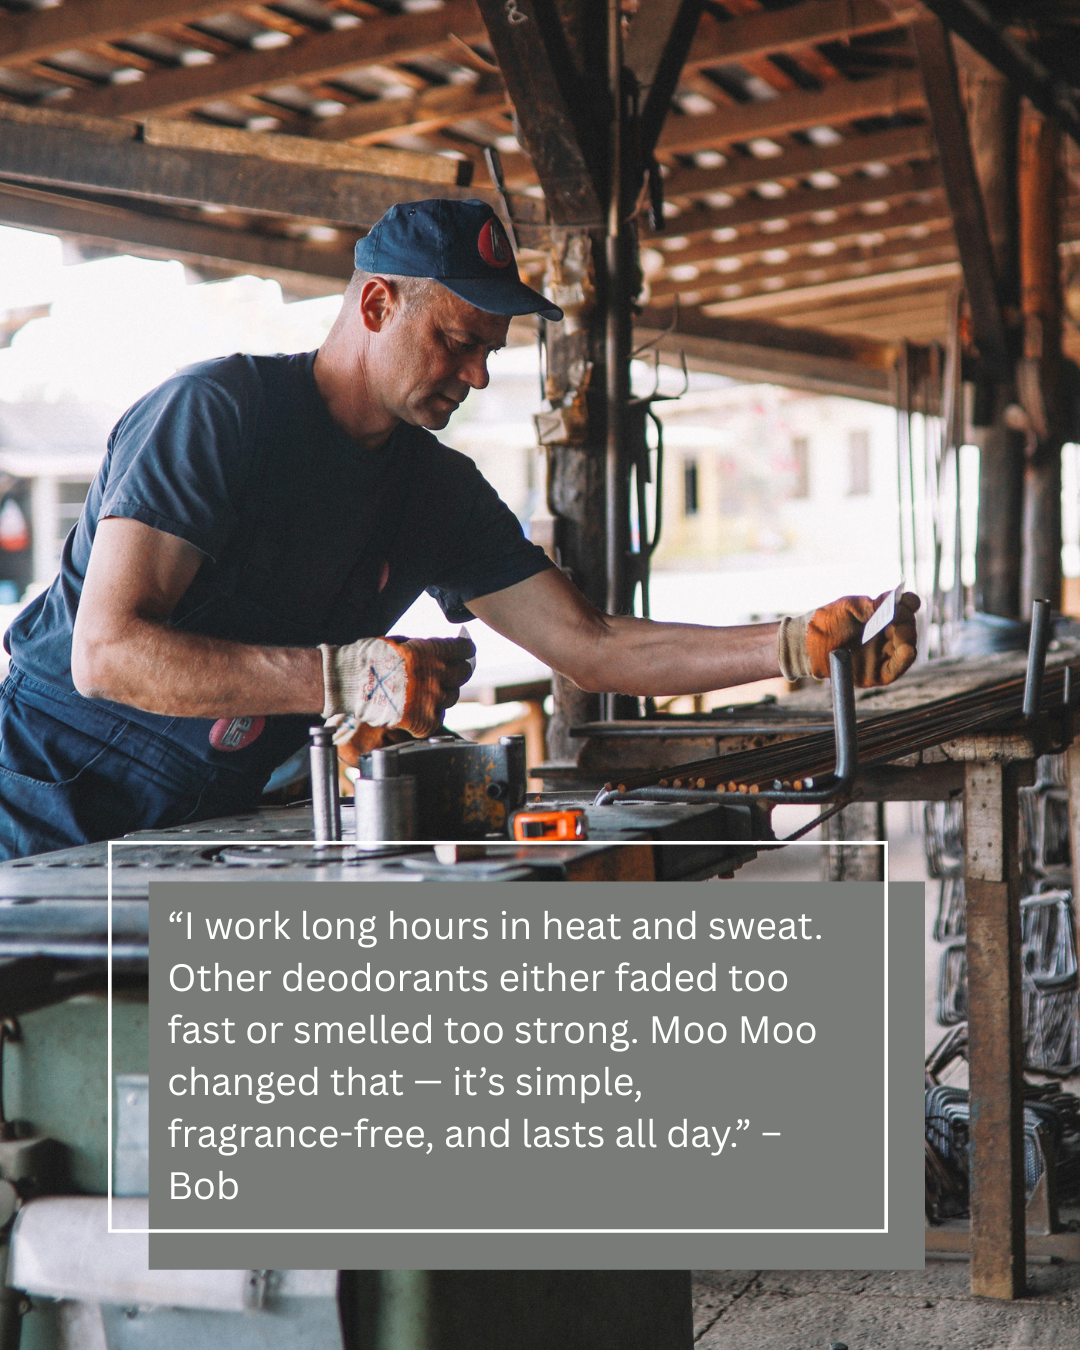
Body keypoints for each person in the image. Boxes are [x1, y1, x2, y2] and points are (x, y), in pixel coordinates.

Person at [0, 198, 918, 860]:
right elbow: (106, 655)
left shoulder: (436, 491)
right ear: (376, 305)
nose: (477, 376)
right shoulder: (215, 415)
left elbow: (591, 646)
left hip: (202, 826)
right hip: (44, 802)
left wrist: (795, 645)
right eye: (458, 340)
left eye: (490, 351)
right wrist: (349, 678)